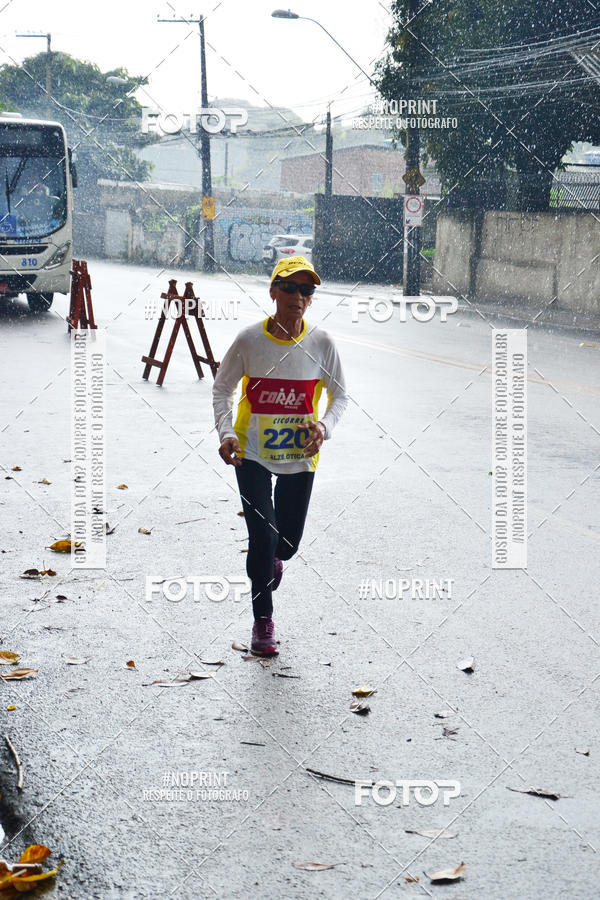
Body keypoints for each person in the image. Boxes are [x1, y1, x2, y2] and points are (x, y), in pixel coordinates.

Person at [213, 256, 348, 655]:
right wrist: (226, 433)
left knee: (285, 545)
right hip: (250, 452)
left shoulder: (322, 344)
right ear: (273, 291)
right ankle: (263, 622)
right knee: (263, 537)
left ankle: (273, 559)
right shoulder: (249, 340)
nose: (298, 297)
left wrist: (323, 427)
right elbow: (222, 389)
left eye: (306, 290)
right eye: (289, 287)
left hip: (299, 456)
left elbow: (341, 396)